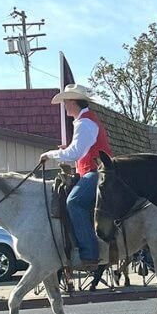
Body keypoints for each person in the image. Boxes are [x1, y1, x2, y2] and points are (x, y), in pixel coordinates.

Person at [39, 84, 114, 269]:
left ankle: (89, 254)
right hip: (93, 171)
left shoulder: (85, 123)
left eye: (65, 101)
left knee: (75, 202)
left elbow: (74, 153)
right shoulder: (86, 121)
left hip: (98, 172)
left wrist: (50, 154)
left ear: (73, 101)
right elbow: (80, 151)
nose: (64, 105)